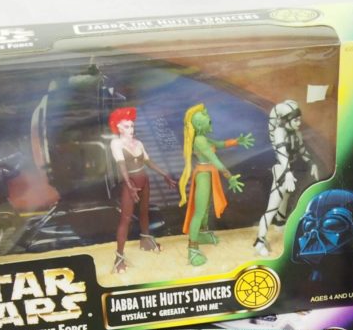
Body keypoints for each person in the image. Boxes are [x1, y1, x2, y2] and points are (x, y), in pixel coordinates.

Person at [177, 104, 254, 266]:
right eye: (208, 121)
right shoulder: (199, 141)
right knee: (199, 212)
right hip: (203, 175)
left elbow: (219, 144)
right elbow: (215, 160)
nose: (211, 123)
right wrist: (229, 177)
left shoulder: (203, 138)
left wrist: (236, 141)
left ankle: (202, 234)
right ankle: (192, 250)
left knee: (205, 209)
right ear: (199, 125)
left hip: (208, 174)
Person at [107, 107, 177, 273]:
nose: (131, 129)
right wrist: (129, 185)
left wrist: (164, 175)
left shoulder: (138, 143)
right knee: (125, 219)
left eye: (132, 126)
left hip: (144, 180)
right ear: (118, 127)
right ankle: (119, 257)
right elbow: (121, 166)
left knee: (144, 212)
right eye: (126, 126)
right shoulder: (116, 143)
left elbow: (148, 161)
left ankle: (145, 241)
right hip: (131, 183)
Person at [255, 100, 319, 257]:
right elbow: (282, 154)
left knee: (286, 197)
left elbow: (302, 151)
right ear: (287, 119)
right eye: (295, 120)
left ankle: (280, 223)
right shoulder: (279, 132)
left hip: (290, 171)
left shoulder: (296, 133)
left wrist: (312, 163)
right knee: (272, 207)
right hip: (281, 171)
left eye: (299, 119)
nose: (299, 123)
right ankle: (259, 241)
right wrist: (287, 173)